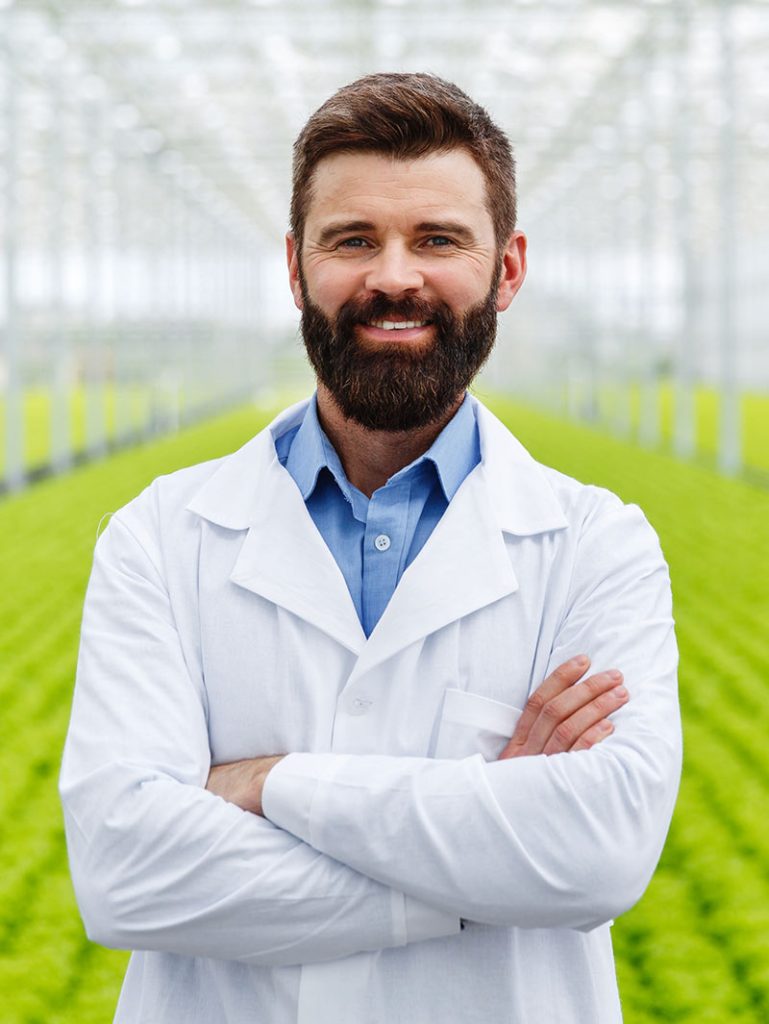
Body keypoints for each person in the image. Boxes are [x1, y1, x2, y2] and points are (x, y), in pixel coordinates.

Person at [60, 73, 681, 1023]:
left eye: (437, 238)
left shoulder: (597, 546)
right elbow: (126, 872)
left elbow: (595, 852)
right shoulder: (158, 537)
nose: (394, 275)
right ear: (295, 266)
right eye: (353, 240)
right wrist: (478, 876)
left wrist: (271, 785)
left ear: (507, 268)